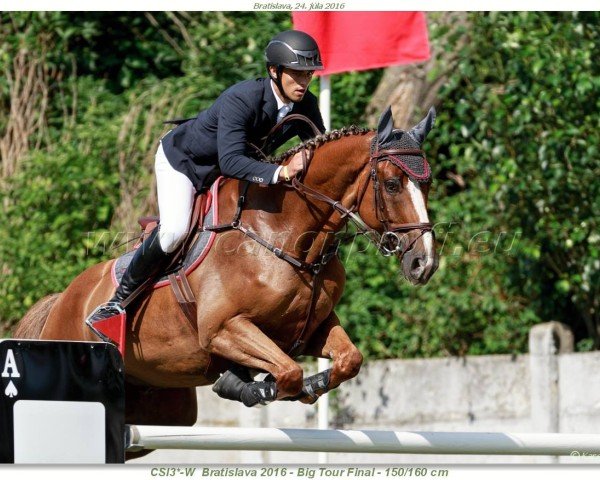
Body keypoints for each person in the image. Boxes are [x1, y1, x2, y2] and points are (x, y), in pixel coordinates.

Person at [88, 30, 326, 324]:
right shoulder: (242, 98)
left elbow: (320, 148)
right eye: (297, 74)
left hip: (233, 168)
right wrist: (281, 171)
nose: (304, 82)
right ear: (274, 71)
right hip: (186, 163)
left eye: (308, 75)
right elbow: (230, 160)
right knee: (175, 230)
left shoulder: (306, 105)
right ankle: (118, 302)